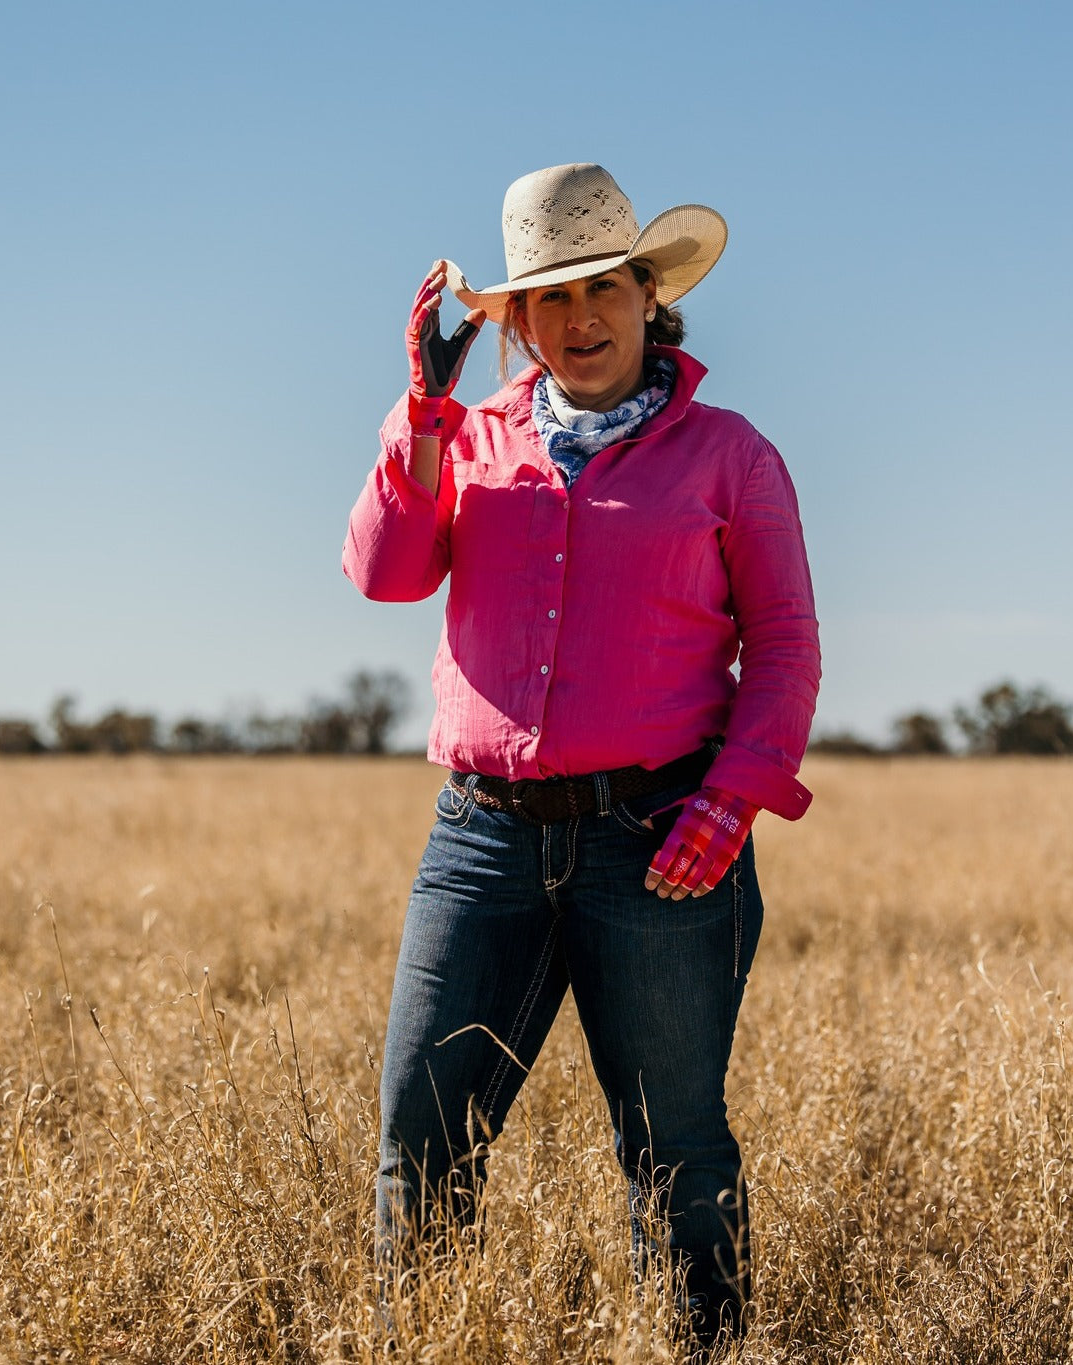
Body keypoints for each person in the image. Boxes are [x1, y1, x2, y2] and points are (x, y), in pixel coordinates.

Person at [343, 162, 820, 1354]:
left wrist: (731, 802)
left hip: (658, 839)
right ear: (514, 321)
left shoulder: (730, 455)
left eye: (604, 286)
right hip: (482, 843)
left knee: (675, 1149)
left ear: (652, 295)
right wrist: (422, 412)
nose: (581, 316)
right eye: (549, 297)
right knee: (420, 1138)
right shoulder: (466, 438)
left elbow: (784, 643)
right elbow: (387, 575)